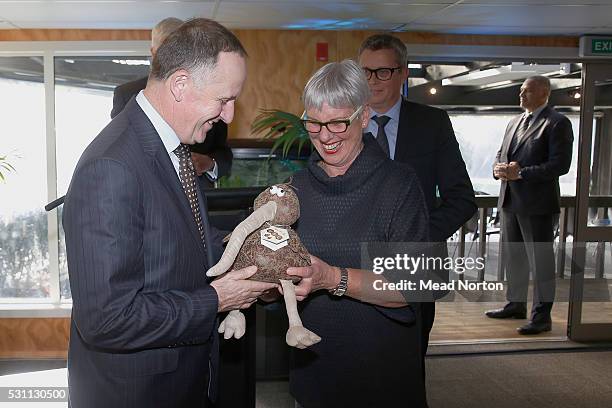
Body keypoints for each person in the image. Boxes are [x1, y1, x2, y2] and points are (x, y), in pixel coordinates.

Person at [63, 18, 277, 408]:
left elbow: (187, 235)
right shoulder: (112, 166)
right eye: (224, 99)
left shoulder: (172, 147)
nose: (229, 116)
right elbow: (107, 320)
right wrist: (217, 300)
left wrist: (249, 250)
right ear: (180, 85)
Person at [285, 59, 430, 408]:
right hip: (313, 373)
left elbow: (415, 285)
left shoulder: (399, 184)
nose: (324, 136)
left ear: (364, 118)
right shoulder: (296, 189)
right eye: (313, 124)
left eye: (337, 122)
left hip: (383, 376)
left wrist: (332, 277)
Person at [358, 34, 476, 359]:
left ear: (403, 73)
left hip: (417, 266)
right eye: (366, 72)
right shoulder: (345, 123)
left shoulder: (432, 123)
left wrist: (417, 237)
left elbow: (462, 199)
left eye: (382, 72)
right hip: (354, 265)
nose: (372, 81)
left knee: (409, 366)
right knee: (358, 365)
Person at [486, 75, 573, 335]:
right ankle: (515, 304)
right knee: (515, 259)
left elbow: (560, 165)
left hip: (538, 205)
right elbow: (502, 153)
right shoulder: (514, 121)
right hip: (510, 201)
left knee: (541, 264)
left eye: (526, 91)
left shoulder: (557, 123)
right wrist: (498, 168)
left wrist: (521, 173)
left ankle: (541, 317)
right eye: (521, 91)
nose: (520, 95)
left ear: (544, 93)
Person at [111, 17, 232, 187]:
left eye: (180, 50)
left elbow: (223, 151)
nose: (173, 58)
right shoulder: (127, 94)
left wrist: (209, 162)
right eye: (166, 51)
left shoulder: (210, 94)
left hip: (201, 196)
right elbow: (121, 148)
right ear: (153, 52)